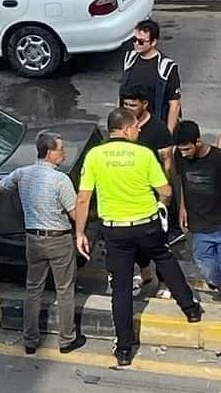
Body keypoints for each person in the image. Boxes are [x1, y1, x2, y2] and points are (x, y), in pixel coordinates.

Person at [75, 108, 201, 368]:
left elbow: (84, 198)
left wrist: (80, 232)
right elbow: (165, 190)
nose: (139, 130)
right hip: (146, 225)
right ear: (123, 129)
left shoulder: (94, 156)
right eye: (135, 127)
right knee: (164, 259)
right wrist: (161, 205)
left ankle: (123, 349)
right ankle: (191, 309)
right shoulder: (143, 154)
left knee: (120, 288)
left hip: (114, 230)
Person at [0, 132, 86, 355]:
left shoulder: (22, 174)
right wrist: (85, 219)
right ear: (51, 153)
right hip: (59, 239)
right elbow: (74, 213)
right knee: (64, 290)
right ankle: (66, 339)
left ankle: (30, 340)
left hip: (33, 239)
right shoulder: (61, 180)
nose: (64, 153)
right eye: (61, 149)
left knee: (33, 289)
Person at [121, 84, 177, 294]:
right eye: (125, 104)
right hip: (131, 195)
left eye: (133, 105)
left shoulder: (158, 129)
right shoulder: (124, 127)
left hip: (155, 196)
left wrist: (165, 193)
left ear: (144, 104)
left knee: (160, 242)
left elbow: (167, 161)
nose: (128, 108)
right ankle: (145, 273)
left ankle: (164, 283)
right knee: (133, 239)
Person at [174, 121, 221, 295]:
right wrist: (182, 208)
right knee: (205, 263)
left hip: (219, 220)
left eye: (187, 149)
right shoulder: (179, 156)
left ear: (198, 142)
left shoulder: (217, 159)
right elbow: (181, 182)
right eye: (181, 150)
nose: (184, 154)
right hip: (199, 224)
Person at [119, 19, 181, 133]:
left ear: (153, 42)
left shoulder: (166, 67)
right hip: (130, 125)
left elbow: (174, 104)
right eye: (134, 40)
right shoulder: (129, 59)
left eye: (141, 42)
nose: (136, 44)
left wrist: (168, 133)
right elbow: (123, 91)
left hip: (153, 125)